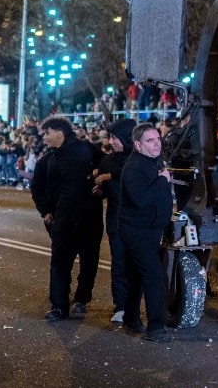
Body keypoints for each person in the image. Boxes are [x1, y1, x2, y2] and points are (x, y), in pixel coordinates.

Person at [30, 116, 103, 321]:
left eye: (47, 133)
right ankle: (59, 305)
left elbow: (107, 167)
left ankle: (81, 299)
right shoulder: (47, 161)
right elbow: (36, 187)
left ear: (59, 133)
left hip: (89, 218)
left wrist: (101, 180)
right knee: (60, 262)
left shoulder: (87, 150)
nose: (44, 137)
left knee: (89, 261)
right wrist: (45, 211)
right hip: (62, 219)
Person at [119, 123, 175, 342]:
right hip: (136, 230)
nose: (156, 144)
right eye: (150, 141)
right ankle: (156, 327)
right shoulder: (133, 167)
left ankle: (131, 318)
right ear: (137, 145)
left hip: (151, 229)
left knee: (139, 275)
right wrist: (162, 180)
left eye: (158, 139)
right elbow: (141, 199)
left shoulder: (153, 161)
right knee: (153, 275)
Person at [94, 118, 136, 324]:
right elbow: (102, 191)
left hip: (137, 221)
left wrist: (108, 177)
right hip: (115, 220)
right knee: (119, 263)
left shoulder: (139, 158)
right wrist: (98, 187)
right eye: (110, 137)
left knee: (136, 264)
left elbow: (132, 176)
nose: (112, 142)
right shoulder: (107, 160)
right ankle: (121, 305)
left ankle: (134, 306)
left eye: (116, 137)